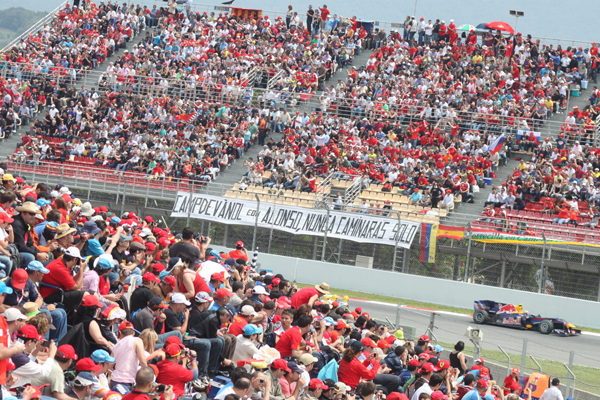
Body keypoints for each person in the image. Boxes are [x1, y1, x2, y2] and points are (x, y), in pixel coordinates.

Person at [111, 321, 148, 393]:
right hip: (128, 381)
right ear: (133, 333)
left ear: (120, 333)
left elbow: (109, 365)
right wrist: (147, 376)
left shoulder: (116, 346)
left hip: (114, 380)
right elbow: (143, 361)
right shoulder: (137, 340)